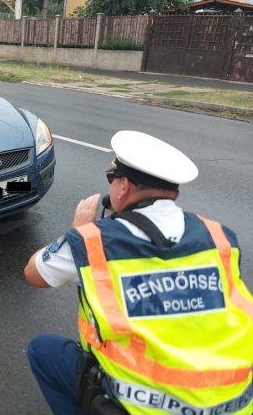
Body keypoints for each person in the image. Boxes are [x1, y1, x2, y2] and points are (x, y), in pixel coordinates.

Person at [24, 130, 253, 414]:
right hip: (235, 401)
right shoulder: (219, 236)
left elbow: (33, 273)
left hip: (145, 405)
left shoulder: (93, 241)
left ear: (124, 187)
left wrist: (77, 231)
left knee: (43, 350)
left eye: (113, 178)